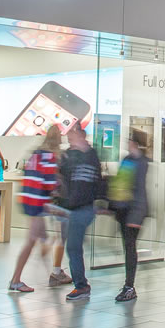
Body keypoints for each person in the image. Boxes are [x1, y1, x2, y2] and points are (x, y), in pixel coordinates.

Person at [8, 127, 69, 292]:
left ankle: (54, 271)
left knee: (42, 239)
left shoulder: (35, 154)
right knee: (32, 241)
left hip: (28, 201)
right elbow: (50, 185)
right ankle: (16, 279)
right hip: (37, 205)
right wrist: (59, 183)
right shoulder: (49, 157)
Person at [59, 126, 102, 301]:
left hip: (82, 208)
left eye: (71, 135)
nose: (69, 138)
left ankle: (81, 285)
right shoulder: (70, 155)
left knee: (73, 247)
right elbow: (63, 177)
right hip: (72, 208)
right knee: (73, 246)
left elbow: (94, 181)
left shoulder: (89, 155)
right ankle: (81, 284)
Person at [108, 130, 150, 302]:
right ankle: (128, 286)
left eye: (130, 140)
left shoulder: (142, 162)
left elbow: (139, 189)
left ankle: (129, 286)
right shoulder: (127, 160)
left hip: (134, 211)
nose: (128, 142)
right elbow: (121, 183)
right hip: (124, 210)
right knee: (128, 247)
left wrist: (137, 215)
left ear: (136, 142)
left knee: (130, 247)